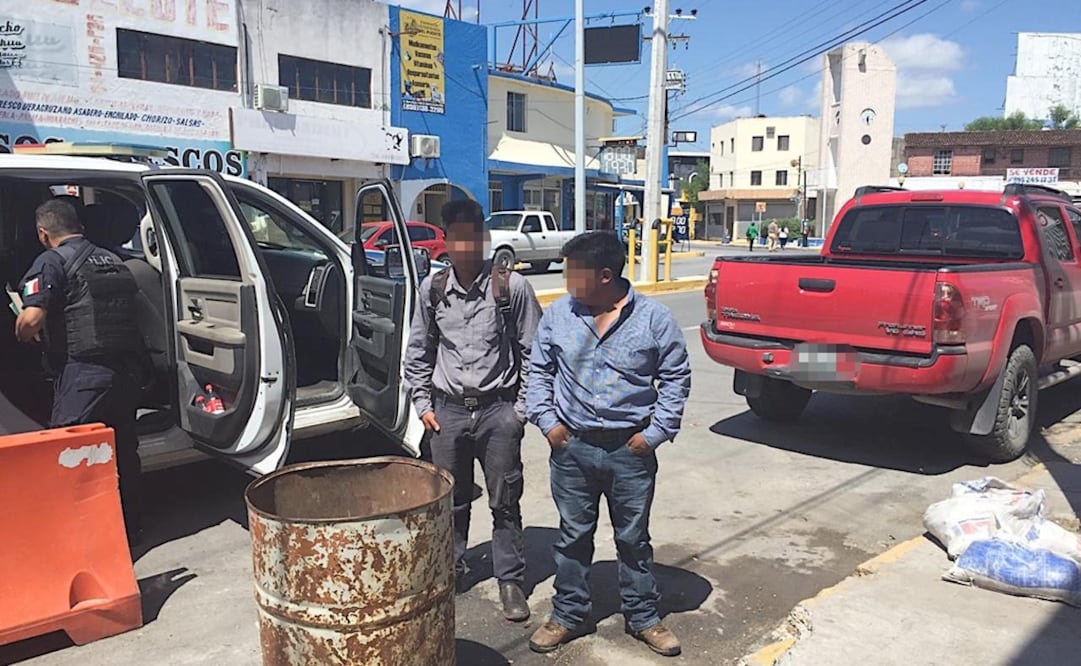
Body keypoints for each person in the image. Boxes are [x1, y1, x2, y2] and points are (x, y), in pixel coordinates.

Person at [526, 231, 692, 657]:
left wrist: (655, 434)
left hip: (629, 450)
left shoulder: (653, 319)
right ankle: (568, 613)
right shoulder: (559, 315)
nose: (565, 282)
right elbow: (538, 372)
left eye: (572, 273)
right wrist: (549, 425)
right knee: (572, 536)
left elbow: (675, 377)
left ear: (603, 276)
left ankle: (643, 617)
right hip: (572, 448)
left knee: (633, 539)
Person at [403, 199, 543, 622]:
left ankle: (510, 580)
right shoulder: (433, 289)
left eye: (474, 235)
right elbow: (418, 352)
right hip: (446, 414)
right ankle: (451, 567)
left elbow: (534, 353)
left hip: (497, 412)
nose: (467, 245)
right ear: (447, 239)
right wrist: (423, 405)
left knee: (504, 500)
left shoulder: (510, 288)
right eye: (458, 236)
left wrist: (519, 412)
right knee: (450, 500)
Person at [15, 199, 145, 542]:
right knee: (122, 452)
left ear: (44, 234)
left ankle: (76, 537)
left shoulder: (50, 261)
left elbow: (31, 319)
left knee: (67, 454)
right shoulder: (113, 260)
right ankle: (131, 530)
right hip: (125, 372)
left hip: (83, 373)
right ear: (80, 227)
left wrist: (21, 335)